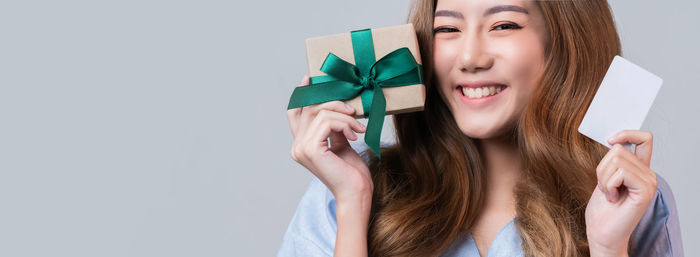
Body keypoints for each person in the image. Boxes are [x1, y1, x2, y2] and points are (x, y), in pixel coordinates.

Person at [279, 0, 683, 256]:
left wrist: (609, 247)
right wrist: (353, 205)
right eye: (448, 29)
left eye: (504, 25)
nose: (470, 57)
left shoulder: (628, 198)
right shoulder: (343, 193)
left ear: (564, 42)